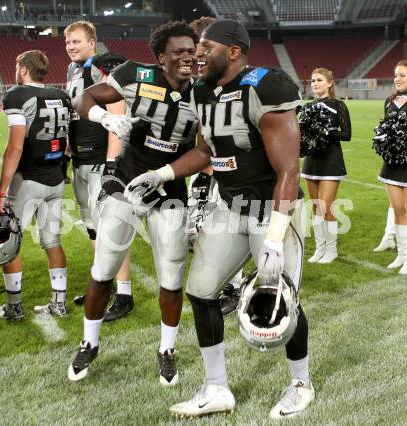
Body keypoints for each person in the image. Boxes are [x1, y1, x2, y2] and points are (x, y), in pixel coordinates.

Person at [125, 20, 314, 419]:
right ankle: (216, 388)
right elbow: (206, 151)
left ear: (233, 52)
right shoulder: (201, 90)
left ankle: (301, 384)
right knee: (201, 290)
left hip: (273, 210)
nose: (196, 55)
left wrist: (276, 239)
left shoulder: (266, 85)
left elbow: (288, 172)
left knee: (282, 299)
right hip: (229, 207)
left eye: (205, 47)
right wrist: (163, 174)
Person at [67, 21, 199, 386]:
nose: (188, 56)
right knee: (105, 264)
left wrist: (167, 174)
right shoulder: (136, 74)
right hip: (127, 182)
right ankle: (89, 342)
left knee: (172, 272)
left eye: (192, 50)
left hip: (168, 186)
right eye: (180, 51)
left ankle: (167, 349)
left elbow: (204, 152)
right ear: (161, 56)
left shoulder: (204, 92)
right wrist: (106, 117)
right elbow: (83, 99)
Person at [0, 50, 72, 320]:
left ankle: (14, 307)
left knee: (9, 241)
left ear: (24, 69)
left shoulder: (17, 95)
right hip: (56, 180)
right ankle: (58, 303)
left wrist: (1, 193)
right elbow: (67, 144)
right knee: (53, 241)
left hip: (28, 181)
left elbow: (14, 148)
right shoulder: (63, 96)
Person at [64, 21, 133, 317]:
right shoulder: (73, 70)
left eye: (77, 41)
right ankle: (101, 285)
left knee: (112, 229)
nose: (71, 47)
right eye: (68, 43)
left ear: (92, 42)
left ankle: (125, 295)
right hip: (81, 160)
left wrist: (111, 163)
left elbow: (117, 115)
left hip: (100, 161)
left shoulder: (103, 67)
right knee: (94, 229)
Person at [189, 16, 243, 316]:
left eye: (201, 46)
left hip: (226, 173)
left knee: (220, 229)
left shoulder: (231, 84)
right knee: (195, 231)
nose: (196, 54)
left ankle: (233, 286)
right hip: (205, 169)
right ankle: (226, 282)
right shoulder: (202, 84)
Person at [300, 68, 351, 264]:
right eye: (313, 80)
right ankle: (320, 249)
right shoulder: (309, 106)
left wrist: (324, 132)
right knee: (315, 207)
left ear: (330, 83)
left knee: (326, 207)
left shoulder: (338, 105)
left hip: (331, 160)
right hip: (312, 161)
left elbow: (346, 134)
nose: (315, 83)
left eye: (319, 80)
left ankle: (332, 250)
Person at [375, 59, 407, 274]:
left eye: (403, 75)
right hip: (391, 164)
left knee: (406, 210)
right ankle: (402, 255)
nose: (397, 78)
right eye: (396, 74)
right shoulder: (389, 101)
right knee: (397, 209)